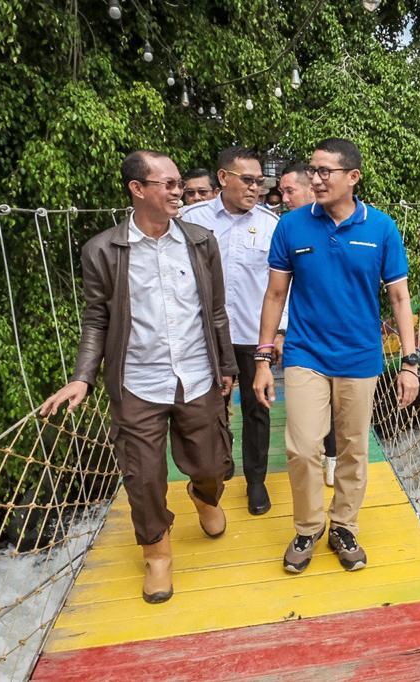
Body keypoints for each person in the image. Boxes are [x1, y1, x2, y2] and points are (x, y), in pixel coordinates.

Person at [40, 150, 236, 604]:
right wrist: (82, 377)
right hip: (137, 384)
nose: (178, 191)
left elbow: (217, 312)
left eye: (179, 183)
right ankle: (158, 556)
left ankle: (204, 496)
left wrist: (226, 366)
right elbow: (96, 320)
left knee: (212, 463)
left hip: (198, 375)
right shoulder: (102, 250)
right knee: (143, 477)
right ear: (137, 189)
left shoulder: (201, 242)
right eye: (166, 184)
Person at [253, 138, 419, 575]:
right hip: (306, 354)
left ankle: (343, 525)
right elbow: (274, 294)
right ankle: (307, 527)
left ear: (353, 177)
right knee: (303, 447)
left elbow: (400, 298)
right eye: (313, 170)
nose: (316, 178)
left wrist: (410, 362)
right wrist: (262, 358)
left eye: (326, 171)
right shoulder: (291, 227)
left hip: (360, 357)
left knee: (352, 448)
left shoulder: (381, 227)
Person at [180, 147, 286, 516]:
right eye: (248, 180)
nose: (256, 188)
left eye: (260, 181)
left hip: (251, 333)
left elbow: (282, 285)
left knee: (258, 406)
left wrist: (278, 334)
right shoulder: (189, 220)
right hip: (204, 334)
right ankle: (217, 468)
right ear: (223, 179)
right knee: (208, 406)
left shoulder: (272, 225)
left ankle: (256, 480)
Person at [279, 160, 338, 487]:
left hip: (342, 339)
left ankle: (332, 456)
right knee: (306, 421)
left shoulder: (345, 222)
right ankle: (309, 518)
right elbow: (277, 290)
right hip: (302, 340)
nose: (284, 197)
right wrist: (277, 333)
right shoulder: (287, 228)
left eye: (290, 190)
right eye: (282, 191)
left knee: (338, 405)